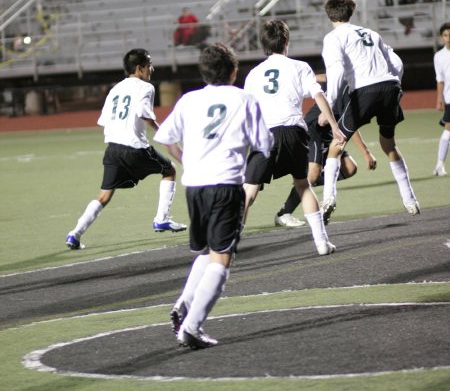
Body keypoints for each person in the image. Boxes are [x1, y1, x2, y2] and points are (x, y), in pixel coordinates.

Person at [153, 43, 273, 349]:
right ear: (234, 72)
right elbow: (263, 145)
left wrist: (187, 161)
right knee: (222, 257)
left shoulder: (189, 99)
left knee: (206, 252)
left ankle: (183, 305)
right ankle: (192, 327)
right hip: (225, 184)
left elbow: (166, 139)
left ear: (203, 72)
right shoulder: (244, 98)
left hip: (194, 186)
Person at [65, 48, 186, 250]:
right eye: (149, 65)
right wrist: (163, 132)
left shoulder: (115, 89)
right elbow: (145, 115)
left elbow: (104, 120)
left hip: (112, 149)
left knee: (104, 195)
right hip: (134, 148)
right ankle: (161, 218)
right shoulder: (146, 88)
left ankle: (74, 234)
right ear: (139, 68)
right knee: (169, 170)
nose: (151, 69)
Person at [242, 19, 345, 256]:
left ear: (264, 45)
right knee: (303, 184)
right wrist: (334, 126)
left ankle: (229, 244)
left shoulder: (254, 74)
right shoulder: (300, 67)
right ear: (286, 41)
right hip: (294, 132)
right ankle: (321, 243)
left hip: (265, 135)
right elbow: (319, 96)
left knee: (249, 190)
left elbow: (247, 109)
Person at [319, 0, 420, 222]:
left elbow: (335, 73)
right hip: (389, 87)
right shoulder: (371, 33)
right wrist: (396, 84)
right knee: (388, 144)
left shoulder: (333, 38)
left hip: (364, 91)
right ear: (350, 12)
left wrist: (330, 105)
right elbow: (397, 63)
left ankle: (329, 199)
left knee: (336, 145)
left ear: (329, 15)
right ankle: (410, 200)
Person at [275, 79, 377, 227]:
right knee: (312, 174)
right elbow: (348, 126)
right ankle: (284, 213)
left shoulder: (348, 86)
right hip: (313, 131)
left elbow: (349, 123)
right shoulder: (347, 90)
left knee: (349, 168)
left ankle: (305, 183)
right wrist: (366, 152)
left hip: (329, 132)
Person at [432, 22, 450, 177]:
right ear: (441, 37)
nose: (448, 38)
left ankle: (439, 165)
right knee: (448, 129)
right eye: (445, 35)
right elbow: (440, 79)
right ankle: (439, 164)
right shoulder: (439, 56)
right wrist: (439, 98)